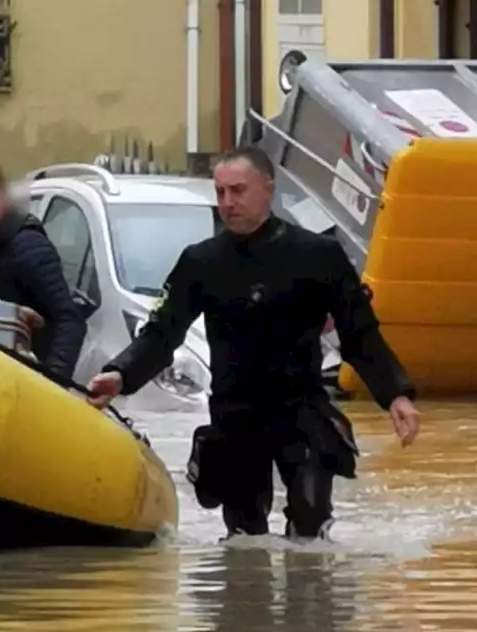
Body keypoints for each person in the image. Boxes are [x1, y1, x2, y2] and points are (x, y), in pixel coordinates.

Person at [86, 147, 421, 541]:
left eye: (238, 190)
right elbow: (161, 334)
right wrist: (120, 375)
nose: (228, 203)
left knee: (310, 531)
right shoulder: (201, 262)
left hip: (301, 410)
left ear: (268, 189)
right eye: (221, 192)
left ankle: (313, 596)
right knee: (245, 539)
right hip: (236, 415)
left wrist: (395, 395)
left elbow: (359, 333)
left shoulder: (319, 256)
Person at [0, 159, 86, 380]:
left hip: (23, 379)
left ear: (2, 199)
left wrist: (53, 380)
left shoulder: (26, 245)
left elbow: (69, 319)